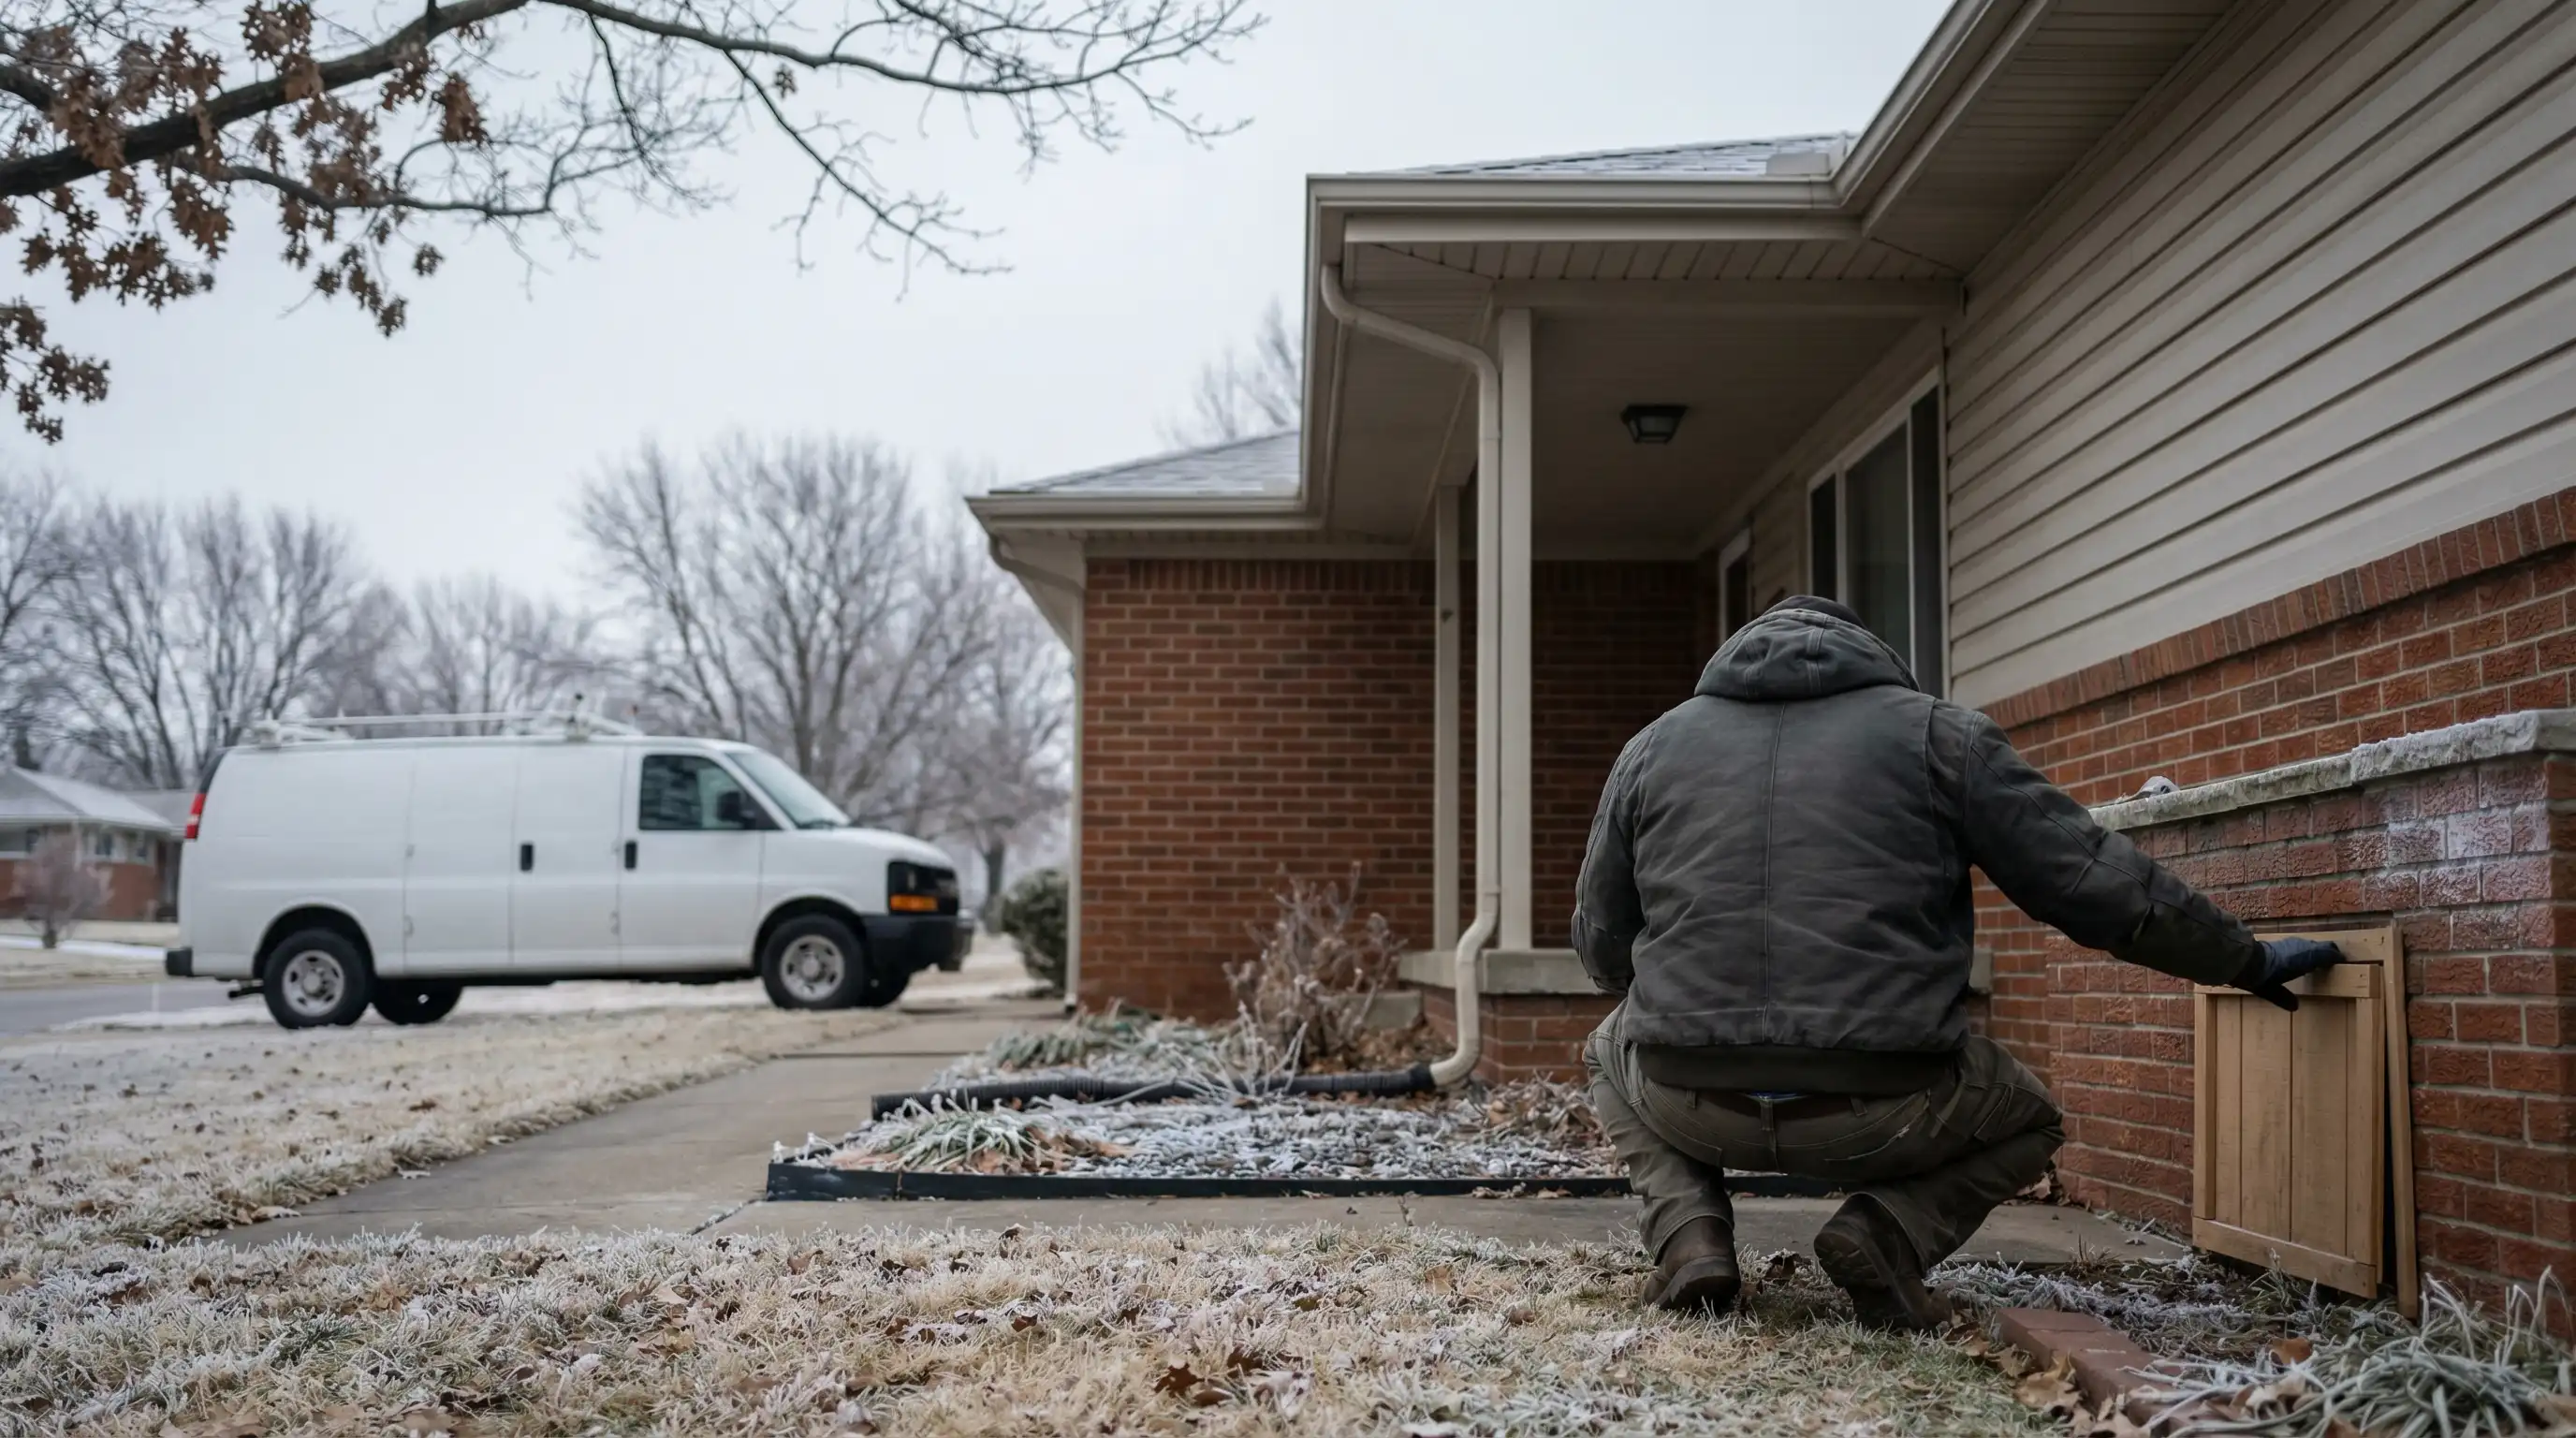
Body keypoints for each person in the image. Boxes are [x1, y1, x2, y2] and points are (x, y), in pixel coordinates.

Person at [1574, 594, 2341, 1330]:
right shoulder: (1940, 737)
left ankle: (1688, 1237)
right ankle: (1885, 1233)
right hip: (1882, 1108)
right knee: (2029, 1118)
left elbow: (1603, 940)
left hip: (1690, 1098)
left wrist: (1672, 1010)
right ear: (1873, 658)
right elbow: (2094, 884)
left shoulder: (1653, 746)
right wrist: (2245, 961)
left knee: (1610, 1048)